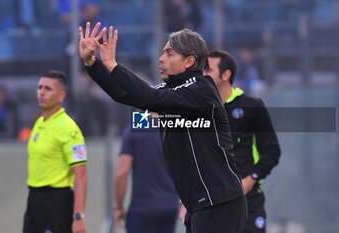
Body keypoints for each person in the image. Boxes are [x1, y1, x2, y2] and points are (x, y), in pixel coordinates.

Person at [79, 22, 246, 233]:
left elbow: (148, 97)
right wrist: (92, 64)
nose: (161, 58)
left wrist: (113, 65)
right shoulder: (172, 92)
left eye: (169, 53)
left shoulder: (200, 88)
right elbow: (125, 94)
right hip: (201, 204)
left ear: (189, 61)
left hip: (219, 201)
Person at [204, 50, 281, 233]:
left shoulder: (252, 106)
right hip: (212, 203)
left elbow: (272, 151)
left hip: (248, 200)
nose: (203, 75)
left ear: (226, 74)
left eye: (208, 70)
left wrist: (251, 178)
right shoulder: (200, 108)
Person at [23, 71, 88, 233]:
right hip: (34, 199)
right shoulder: (39, 122)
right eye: (40, 87)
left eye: (48, 89)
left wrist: (78, 216)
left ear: (61, 96)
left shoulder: (69, 128)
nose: (41, 92)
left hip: (56, 201)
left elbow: (80, 173)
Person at [114, 125, 179, 233]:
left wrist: (119, 207)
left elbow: (122, 172)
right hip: (170, 207)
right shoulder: (172, 130)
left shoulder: (132, 131)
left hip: (142, 209)